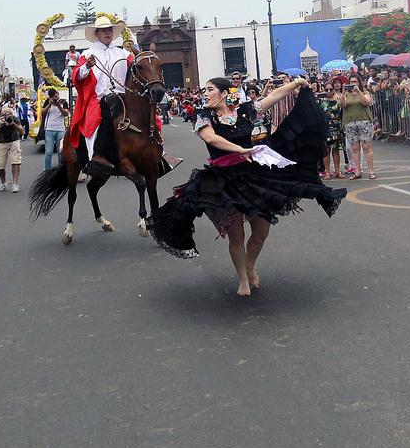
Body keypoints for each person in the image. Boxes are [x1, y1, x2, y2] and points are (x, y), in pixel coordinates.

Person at [147, 77, 346, 296]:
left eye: (210, 89)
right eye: (205, 90)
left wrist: (296, 84)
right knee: (236, 236)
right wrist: (239, 150)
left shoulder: (245, 110)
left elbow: (272, 98)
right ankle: (243, 277)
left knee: (261, 232)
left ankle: (250, 264)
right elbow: (211, 139)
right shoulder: (203, 116)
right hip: (223, 180)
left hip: (255, 176)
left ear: (223, 93)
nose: (205, 93)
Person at [69, 15, 136, 175]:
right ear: (97, 34)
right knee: (101, 117)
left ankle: (157, 151)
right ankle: (96, 155)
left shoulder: (124, 54)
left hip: (123, 97)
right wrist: (86, 66)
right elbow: (76, 75)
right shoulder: (87, 54)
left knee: (145, 114)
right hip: (99, 98)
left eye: (110, 30)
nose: (108, 33)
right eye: (104, 30)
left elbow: (138, 69)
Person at [339, 73, 376, 180]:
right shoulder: (346, 94)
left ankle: (371, 171)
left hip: (364, 122)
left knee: (366, 146)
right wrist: (343, 94)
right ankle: (357, 171)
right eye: (351, 82)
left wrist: (358, 91)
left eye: (355, 82)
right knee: (355, 148)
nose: (353, 84)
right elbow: (342, 105)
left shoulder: (365, 92)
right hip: (350, 122)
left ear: (359, 82)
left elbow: (366, 102)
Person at [0, 108, 23, 192]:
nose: (6, 116)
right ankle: (3, 183)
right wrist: (0, 125)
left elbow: (22, 131)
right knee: (0, 165)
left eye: (8, 114)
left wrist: (13, 124)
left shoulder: (14, 119)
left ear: (11, 114)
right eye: (4, 114)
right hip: (0, 142)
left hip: (13, 141)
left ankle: (15, 184)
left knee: (16, 162)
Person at [319, 82, 343, 179]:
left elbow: (341, 113)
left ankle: (337, 171)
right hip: (324, 128)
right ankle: (327, 171)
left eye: (330, 89)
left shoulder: (338, 100)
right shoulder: (320, 101)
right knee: (326, 150)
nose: (329, 91)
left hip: (336, 127)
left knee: (336, 150)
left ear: (334, 89)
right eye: (326, 89)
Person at [41, 88, 69, 170]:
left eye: (56, 95)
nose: (55, 97)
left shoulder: (64, 102)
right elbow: (42, 113)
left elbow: (66, 114)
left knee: (60, 151)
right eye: (53, 96)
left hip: (60, 129)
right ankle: (47, 170)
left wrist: (59, 105)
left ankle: (61, 169)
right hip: (49, 129)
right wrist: (49, 104)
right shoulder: (47, 101)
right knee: (48, 152)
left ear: (58, 93)